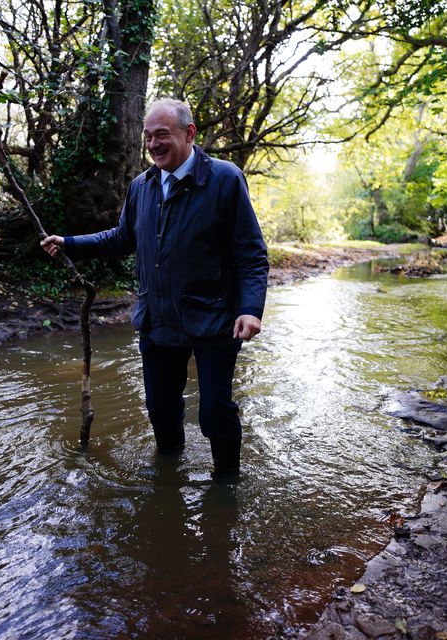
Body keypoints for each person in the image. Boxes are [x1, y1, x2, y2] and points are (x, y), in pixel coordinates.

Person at [41, 98, 268, 477]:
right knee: (161, 410)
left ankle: (227, 484)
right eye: (147, 137)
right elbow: (122, 237)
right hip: (158, 318)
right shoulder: (141, 187)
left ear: (189, 133)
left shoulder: (225, 179)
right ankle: (169, 476)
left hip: (214, 318)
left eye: (161, 134)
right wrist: (71, 243)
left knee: (213, 412)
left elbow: (251, 253)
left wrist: (250, 308)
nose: (152, 144)